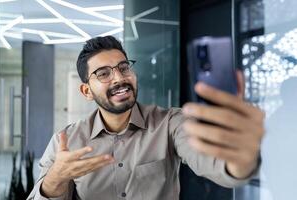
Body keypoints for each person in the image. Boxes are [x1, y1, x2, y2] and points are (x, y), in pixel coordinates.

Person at [27, 36, 265, 200]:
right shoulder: (65, 142)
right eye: (103, 73)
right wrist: (55, 179)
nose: (119, 78)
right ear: (86, 91)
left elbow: (214, 164)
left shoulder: (171, 123)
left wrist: (240, 158)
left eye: (124, 67)